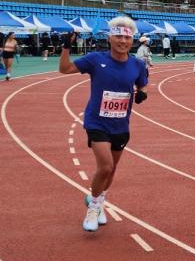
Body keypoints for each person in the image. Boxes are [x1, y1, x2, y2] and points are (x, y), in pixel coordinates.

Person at [58, 17, 148, 232]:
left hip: (121, 126)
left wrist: (142, 95)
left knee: (112, 170)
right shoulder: (95, 60)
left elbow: (143, 85)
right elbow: (65, 69)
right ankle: (93, 208)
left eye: (127, 37)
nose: (122, 41)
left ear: (131, 40)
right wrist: (66, 47)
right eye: (118, 36)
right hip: (96, 122)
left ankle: (97, 201)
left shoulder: (137, 64)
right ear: (110, 38)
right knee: (105, 166)